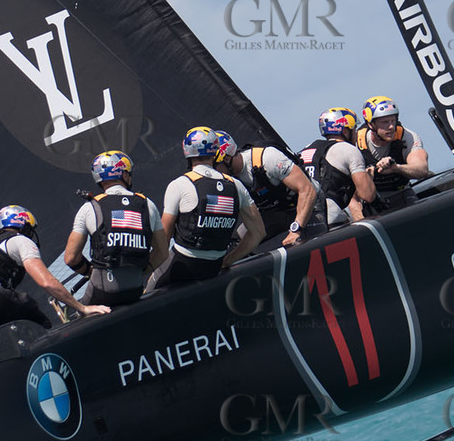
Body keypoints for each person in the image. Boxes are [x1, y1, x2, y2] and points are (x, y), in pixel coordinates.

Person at [0, 205, 108, 332]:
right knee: (37, 324)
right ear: (23, 226)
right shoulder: (18, 239)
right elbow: (46, 282)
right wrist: (82, 308)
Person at [155, 126, 265, 286]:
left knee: (146, 291)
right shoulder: (236, 185)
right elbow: (258, 232)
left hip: (182, 264)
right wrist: (227, 261)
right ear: (216, 151)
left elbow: (163, 238)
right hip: (214, 266)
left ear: (187, 151)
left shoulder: (178, 185)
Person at [63, 150, 167, 306]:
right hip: (135, 289)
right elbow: (162, 253)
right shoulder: (148, 204)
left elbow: (70, 257)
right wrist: (139, 272)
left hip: (102, 290)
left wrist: (90, 272)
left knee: (79, 316)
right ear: (124, 175)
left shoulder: (89, 207)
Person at [214, 129, 317, 248]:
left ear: (226, 159)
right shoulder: (226, 180)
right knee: (233, 246)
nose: (212, 172)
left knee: (314, 244)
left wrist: (296, 229)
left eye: (214, 166)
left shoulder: (267, 158)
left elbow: (307, 190)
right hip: (274, 213)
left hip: (309, 206)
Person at [299, 108, 376, 235]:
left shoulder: (306, 150)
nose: (356, 134)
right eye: (354, 129)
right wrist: (369, 178)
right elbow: (368, 195)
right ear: (345, 130)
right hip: (333, 221)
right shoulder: (349, 150)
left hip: (305, 222)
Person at [357, 95, 430, 202]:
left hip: (402, 191)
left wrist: (397, 168)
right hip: (372, 198)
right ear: (371, 124)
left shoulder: (407, 137)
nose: (391, 127)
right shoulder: (356, 143)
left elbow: (422, 169)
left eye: (393, 121)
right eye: (385, 122)